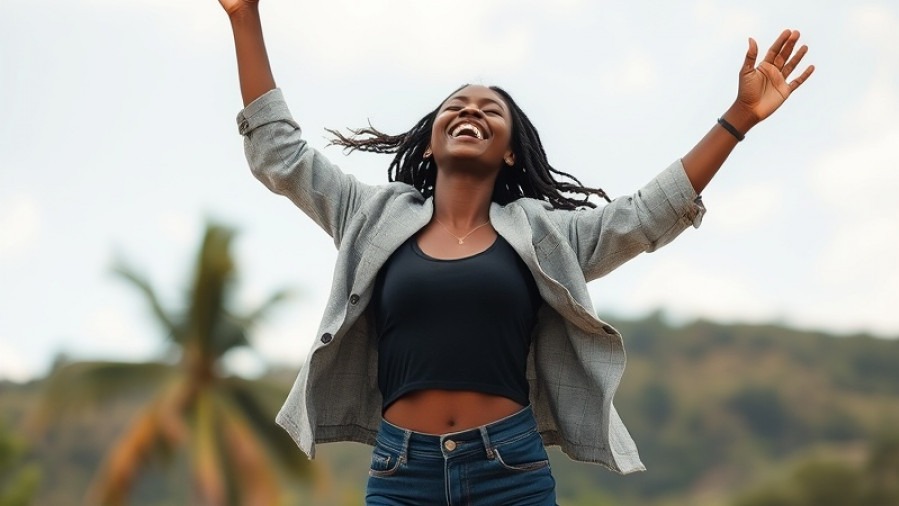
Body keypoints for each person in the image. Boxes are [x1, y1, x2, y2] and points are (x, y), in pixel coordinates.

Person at [217, 1, 814, 504]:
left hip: (510, 471)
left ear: (509, 150)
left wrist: (737, 119)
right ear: (430, 142)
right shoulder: (369, 216)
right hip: (403, 473)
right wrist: (246, 16)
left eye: (490, 109)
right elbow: (281, 155)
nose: (471, 110)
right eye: (456, 105)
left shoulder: (548, 236)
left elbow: (646, 214)